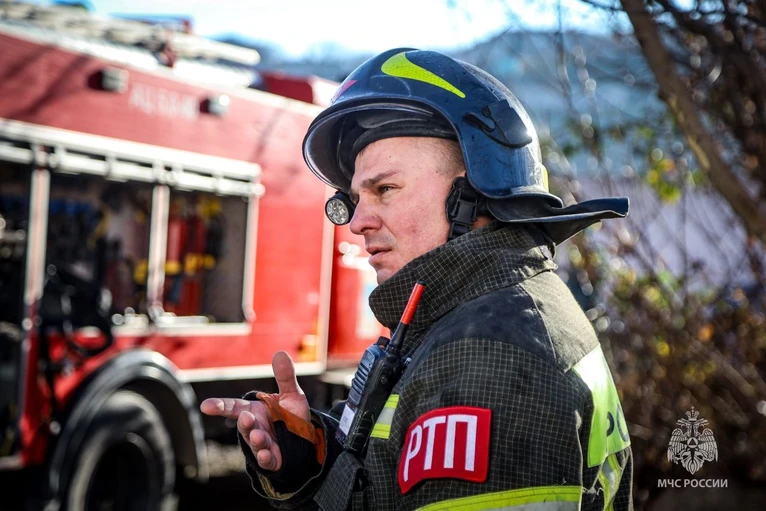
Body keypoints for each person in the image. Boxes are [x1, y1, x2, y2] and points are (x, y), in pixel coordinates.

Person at [201, 47, 633, 510]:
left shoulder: (488, 354)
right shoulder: (475, 316)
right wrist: (314, 458)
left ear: (471, 191)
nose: (356, 223)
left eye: (385, 189)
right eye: (355, 200)